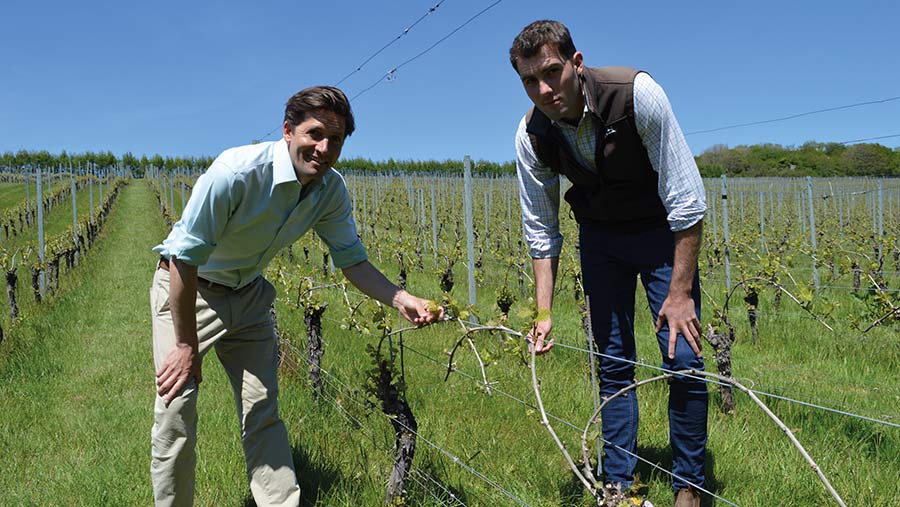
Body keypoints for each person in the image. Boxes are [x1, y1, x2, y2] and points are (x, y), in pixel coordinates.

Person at [149, 85, 442, 507]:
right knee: (176, 409)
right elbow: (184, 258)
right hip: (190, 289)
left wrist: (402, 298)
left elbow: (352, 261)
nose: (323, 148)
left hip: (249, 294)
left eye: (335, 140)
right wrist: (184, 344)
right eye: (314, 134)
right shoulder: (236, 173)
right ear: (288, 130)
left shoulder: (330, 191)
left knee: (262, 409)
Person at [509, 21, 708, 507]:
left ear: (577, 64)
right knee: (614, 361)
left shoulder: (637, 95)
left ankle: (690, 485)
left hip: (662, 233)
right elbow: (541, 228)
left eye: (552, 73)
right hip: (600, 240)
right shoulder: (531, 135)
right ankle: (618, 485)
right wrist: (543, 311)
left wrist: (679, 294)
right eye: (530, 81)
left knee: (683, 359)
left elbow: (687, 199)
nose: (543, 89)